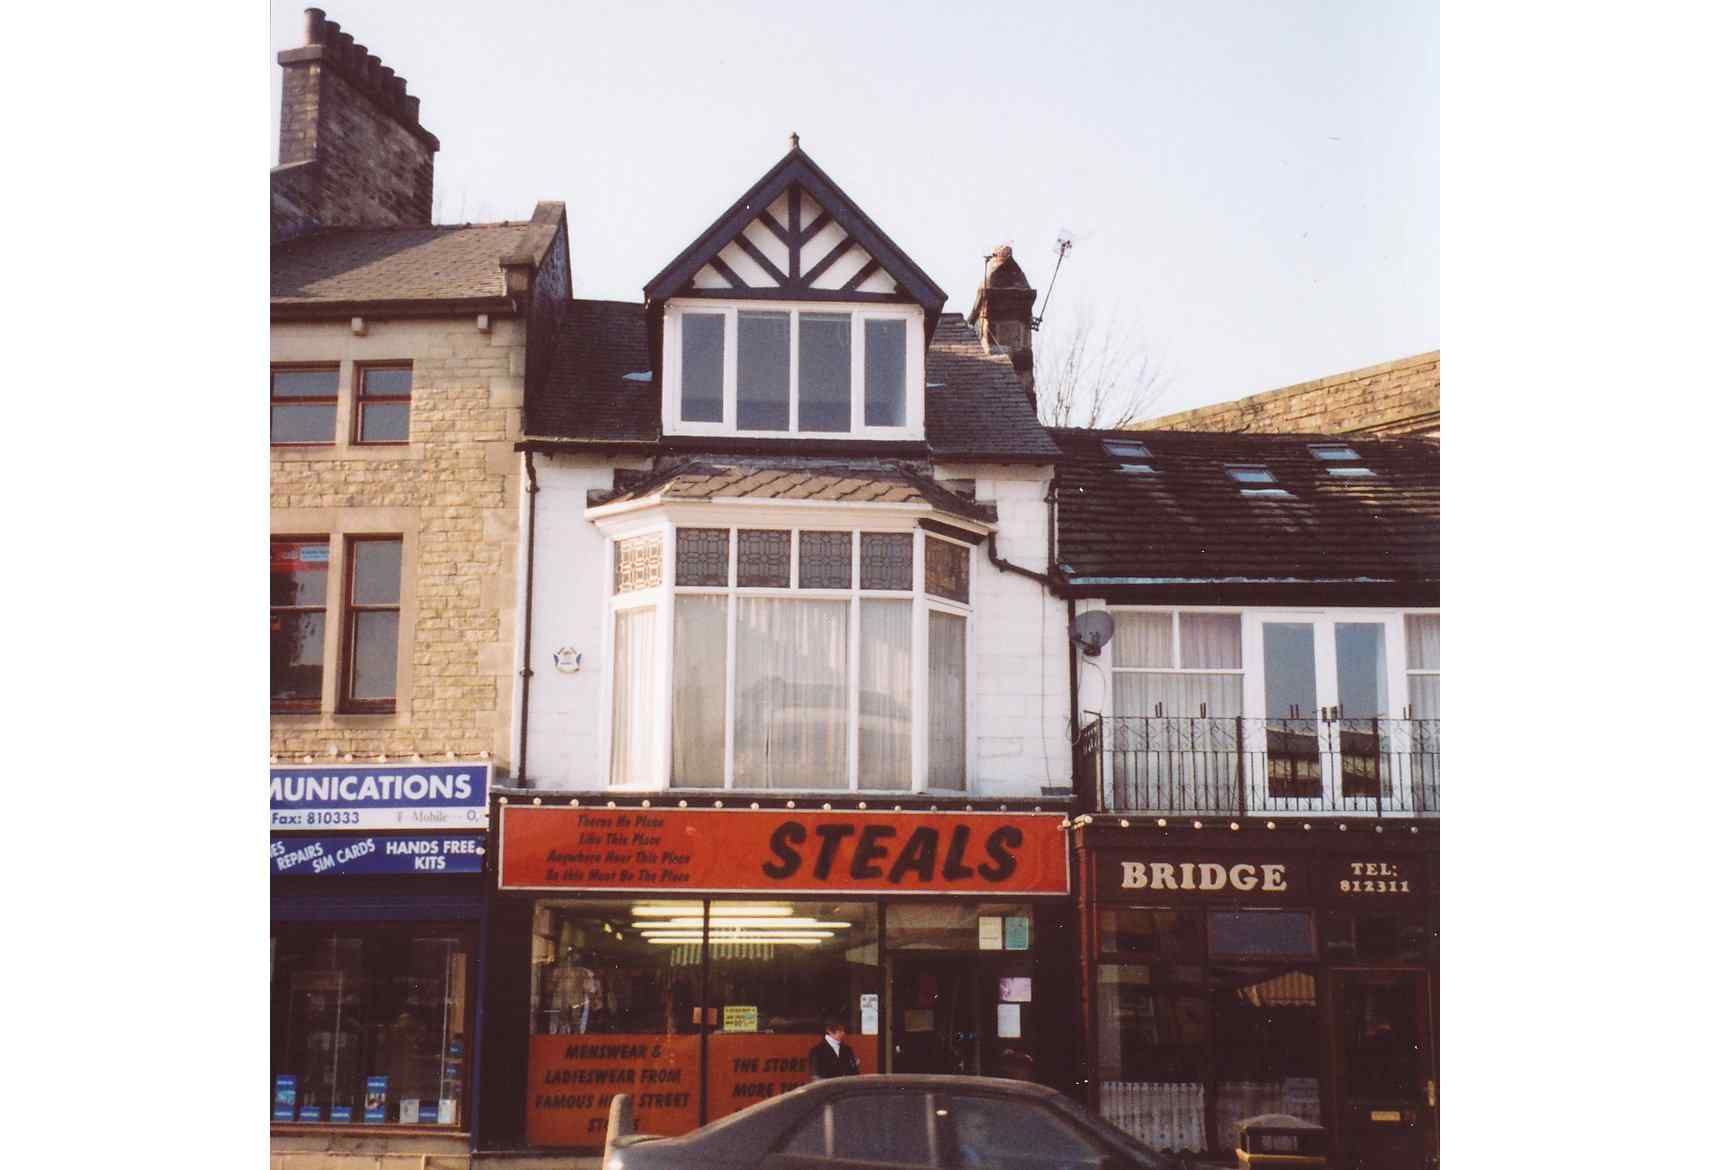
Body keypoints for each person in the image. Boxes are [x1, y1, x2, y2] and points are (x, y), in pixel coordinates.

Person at [807, 1015, 860, 1079]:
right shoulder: (817, 1052)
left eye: (843, 1030)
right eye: (840, 1030)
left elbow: (855, 1074)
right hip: (828, 1088)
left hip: (847, 1088)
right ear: (829, 1030)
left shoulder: (848, 1050)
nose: (843, 1033)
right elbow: (816, 1077)